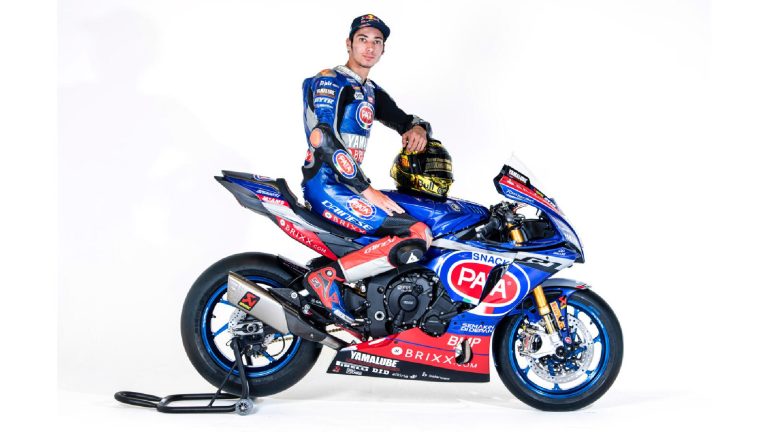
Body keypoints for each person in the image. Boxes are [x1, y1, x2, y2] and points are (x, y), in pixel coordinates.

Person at [301, 14, 433, 324]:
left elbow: (404, 119)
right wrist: (367, 190)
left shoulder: (369, 90)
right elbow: (323, 139)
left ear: (383, 49)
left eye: (377, 42)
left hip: (349, 187)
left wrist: (418, 128)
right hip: (327, 186)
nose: (370, 47)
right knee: (415, 234)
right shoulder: (331, 80)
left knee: (422, 222)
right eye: (363, 40)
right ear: (349, 43)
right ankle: (329, 278)